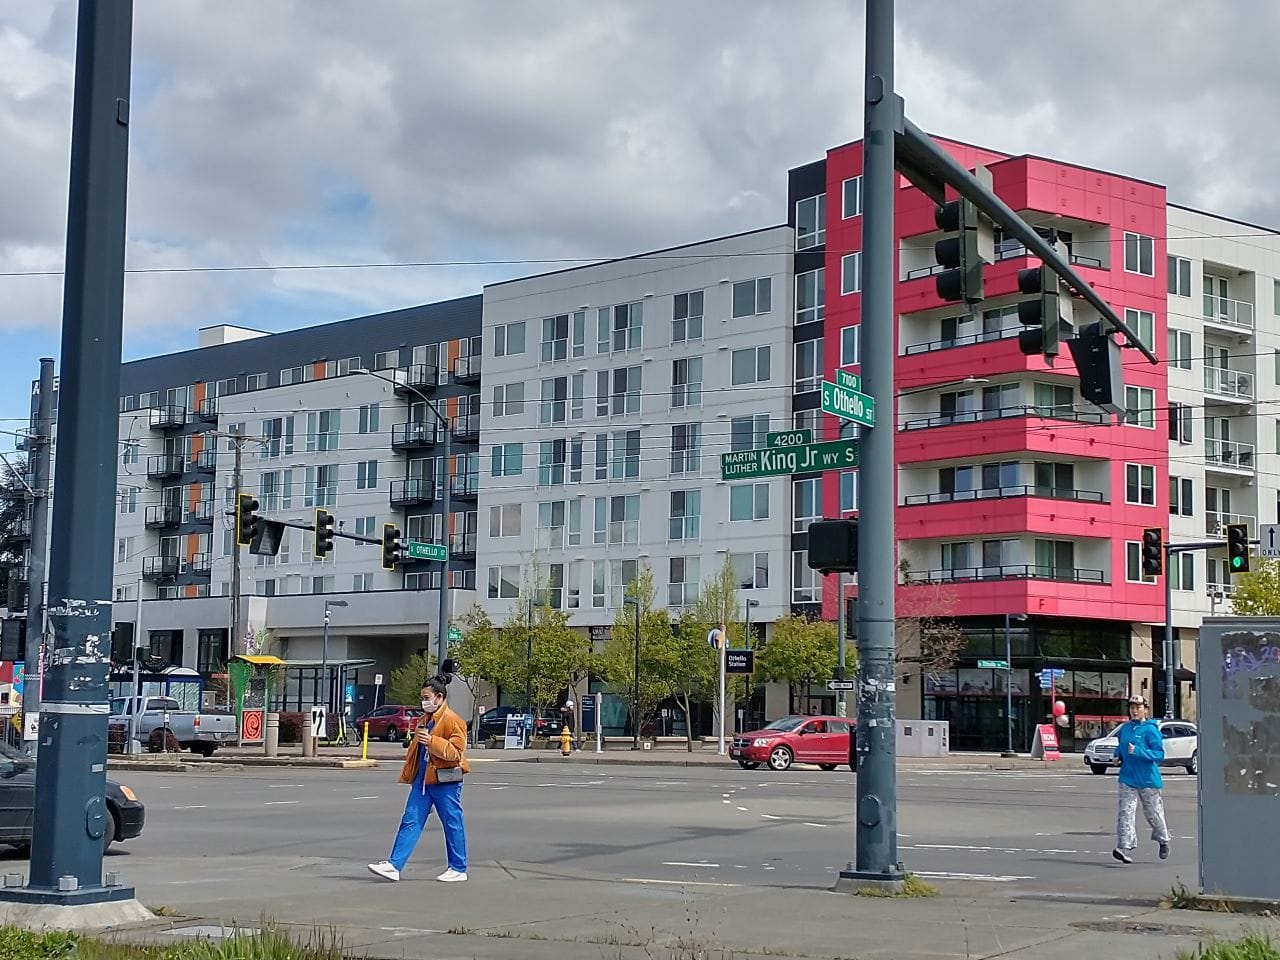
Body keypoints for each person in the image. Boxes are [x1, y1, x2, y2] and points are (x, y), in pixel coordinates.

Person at [368, 672, 470, 882]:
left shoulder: (453, 720)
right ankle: (394, 865)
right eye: (422, 698)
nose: (424, 702)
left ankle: (458, 867)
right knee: (410, 819)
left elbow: (455, 753)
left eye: (427, 698)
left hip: (445, 780)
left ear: (439, 698)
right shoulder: (425, 719)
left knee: (452, 822)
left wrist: (432, 741)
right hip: (422, 780)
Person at [1111, 694, 1171, 864]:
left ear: (1146, 709)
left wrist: (1138, 751)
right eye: (1132, 707)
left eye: (1138, 707)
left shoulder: (1151, 730)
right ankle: (1124, 847)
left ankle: (1163, 839)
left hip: (1148, 780)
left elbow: (1159, 754)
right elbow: (1121, 748)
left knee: (1153, 814)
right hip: (1127, 778)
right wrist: (1117, 757)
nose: (1135, 710)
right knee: (1125, 813)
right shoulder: (1125, 729)